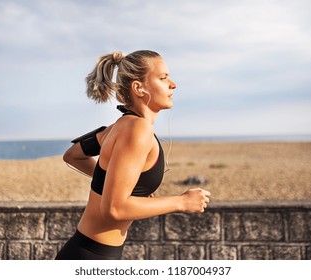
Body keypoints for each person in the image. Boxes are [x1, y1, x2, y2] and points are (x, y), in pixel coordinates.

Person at [55, 50, 211, 260]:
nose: (173, 84)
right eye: (163, 78)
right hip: (92, 257)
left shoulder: (119, 126)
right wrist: (181, 202)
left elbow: (73, 155)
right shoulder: (138, 129)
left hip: (88, 251)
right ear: (138, 88)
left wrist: (117, 183)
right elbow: (115, 208)